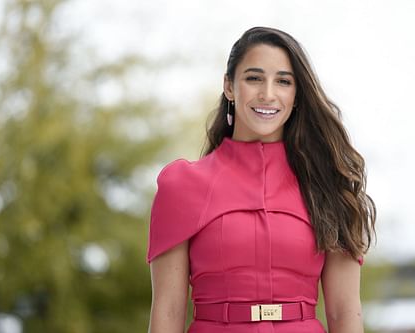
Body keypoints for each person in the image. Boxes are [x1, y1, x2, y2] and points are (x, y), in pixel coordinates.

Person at [147, 26, 376, 333]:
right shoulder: (182, 185)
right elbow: (168, 310)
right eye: (254, 78)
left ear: (296, 95)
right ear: (229, 86)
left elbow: (344, 313)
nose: (268, 93)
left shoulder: (328, 187)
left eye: (283, 81)